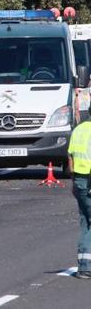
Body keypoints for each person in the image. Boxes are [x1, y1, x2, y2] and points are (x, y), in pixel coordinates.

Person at [67, 105, 91, 279]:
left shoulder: (79, 129)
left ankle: (83, 265)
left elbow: (70, 156)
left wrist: (74, 181)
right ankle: (86, 267)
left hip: (80, 180)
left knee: (86, 222)